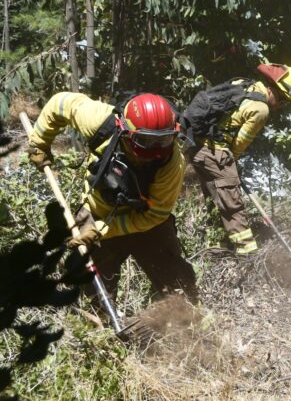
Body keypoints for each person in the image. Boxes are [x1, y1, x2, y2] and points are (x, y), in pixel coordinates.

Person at [27, 92, 198, 302]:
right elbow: (59, 104)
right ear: (124, 129)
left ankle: (182, 314)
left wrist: (101, 230)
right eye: (145, 141)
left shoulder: (171, 163)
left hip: (147, 222)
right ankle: (99, 318)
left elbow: (155, 215)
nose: (155, 151)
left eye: (163, 141)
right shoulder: (100, 121)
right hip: (98, 212)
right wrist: (39, 143)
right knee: (91, 290)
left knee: (178, 287)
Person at [186, 64, 291, 255]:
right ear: (273, 89)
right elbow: (240, 143)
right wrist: (230, 163)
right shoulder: (261, 109)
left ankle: (219, 244)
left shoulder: (245, 84)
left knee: (215, 197)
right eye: (282, 99)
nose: (281, 105)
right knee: (233, 204)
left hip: (198, 146)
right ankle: (247, 253)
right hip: (217, 151)